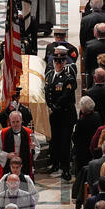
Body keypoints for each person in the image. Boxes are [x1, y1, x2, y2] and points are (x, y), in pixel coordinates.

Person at [44, 50, 78, 180]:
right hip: (54, 115)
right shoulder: (49, 75)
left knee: (65, 142)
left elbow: (66, 96)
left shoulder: (68, 78)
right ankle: (55, 163)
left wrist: (55, 107)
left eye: (61, 61)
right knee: (54, 140)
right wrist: (50, 105)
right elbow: (47, 92)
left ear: (65, 62)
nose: (59, 63)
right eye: (56, 61)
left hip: (65, 115)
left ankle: (65, 169)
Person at [0, 111, 38, 181]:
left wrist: (32, 149)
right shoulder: (4, 133)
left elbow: (37, 148)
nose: (15, 124)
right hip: (9, 165)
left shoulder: (29, 132)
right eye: (13, 122)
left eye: (17, 121)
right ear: (9, 121)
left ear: (21, 121)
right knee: (8, 187)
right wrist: (7, 155)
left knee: (24, 188)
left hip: (24, 164)